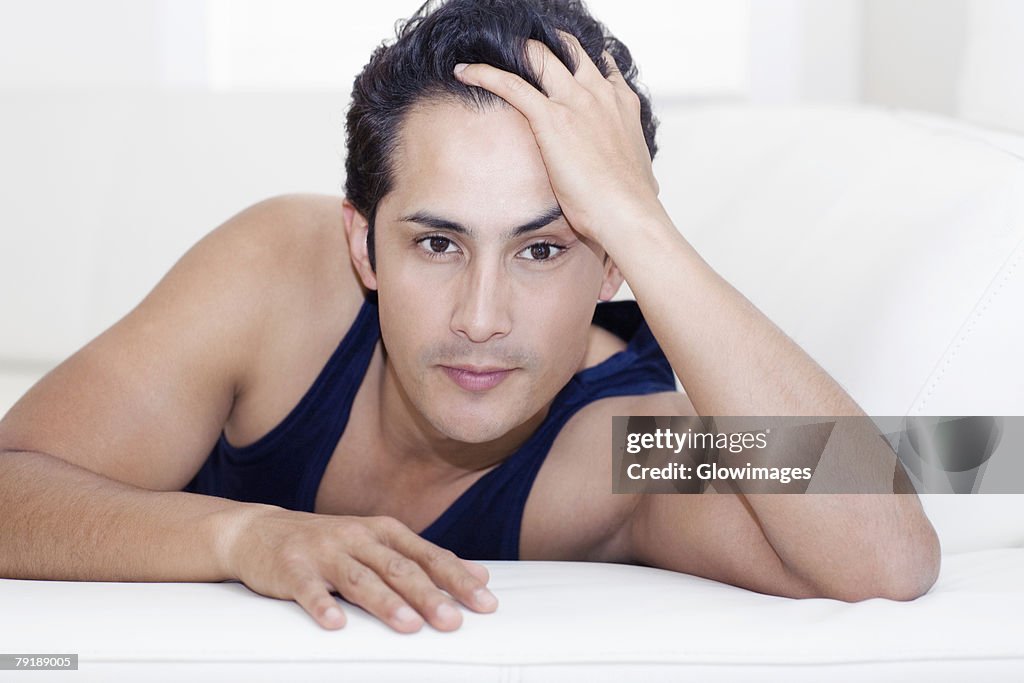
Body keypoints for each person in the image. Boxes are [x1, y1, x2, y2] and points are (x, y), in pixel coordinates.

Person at [0, 0, 939, 634]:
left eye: (543, 250)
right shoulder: (278, 277)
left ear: (610, 260)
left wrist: (643, 227)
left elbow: (890, 556)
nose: (482, 318)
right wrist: (243, 536)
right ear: (364, 245)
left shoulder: (612, 452)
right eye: (437, 243)